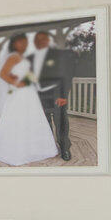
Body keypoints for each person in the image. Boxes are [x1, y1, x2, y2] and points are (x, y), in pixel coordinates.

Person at [0, 32, 58, 166]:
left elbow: (25, 73)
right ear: (14, 43)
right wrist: (17, 83)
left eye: (25, 42)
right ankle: (19, 149)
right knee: (21, 118)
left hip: (30, 93)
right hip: (21, 94)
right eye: (20, 42)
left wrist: (30, 79)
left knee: (32, 118)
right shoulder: (13, 57)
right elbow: (3, 74)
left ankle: (35, 147)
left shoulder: (21, 57)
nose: (23, 44)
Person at [32, 30, 74, 161]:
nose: (40, 42)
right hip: (39, 96)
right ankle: (50, 147)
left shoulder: (57, 55)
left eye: (43, 39)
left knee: (61, 122)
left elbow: (66, 76)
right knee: (45, 124)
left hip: (57, 95)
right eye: (38, 40)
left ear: (47, 41)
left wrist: (63, 96)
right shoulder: (31, 58)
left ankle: (65, 149)